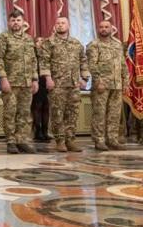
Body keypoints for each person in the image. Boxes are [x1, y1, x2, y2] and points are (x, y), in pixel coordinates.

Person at [38, 17, 89, 153]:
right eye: (58, 23)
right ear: (55, 26)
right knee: (57, 113)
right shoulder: (49, 43)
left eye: (63, 23)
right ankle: (60, 140)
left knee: (72, 113)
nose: (60, 25)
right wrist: (48, 78)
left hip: (74, 84)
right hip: (57, 84)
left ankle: (70, 140)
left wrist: (84, 79)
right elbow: (44, 62)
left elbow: (83, 61)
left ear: (68, 25)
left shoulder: (76, 43)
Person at [0, 11, 39, 154]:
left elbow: (33, 60)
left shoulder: (28, 39)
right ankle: (11, 141)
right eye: (13, 20)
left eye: (18, 20)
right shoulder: (3, 38)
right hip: (10, 82)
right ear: (8, 22)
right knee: (10, 113)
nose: (15, 23)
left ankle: (22, 140)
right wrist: (3, 78)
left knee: (24, 113)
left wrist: (35, 79)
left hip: (26, 83)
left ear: (23, 22)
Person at [86, 20, 128, 151]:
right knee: (99, 113)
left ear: (111, 29)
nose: (104, 29)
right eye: (101, 27)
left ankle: (113, 139)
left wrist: (125, 81)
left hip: (117, 84)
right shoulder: (93, 45)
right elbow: (92, 65)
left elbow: (123, 64)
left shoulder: (117, 44)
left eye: (106, 27)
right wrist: (98, 81)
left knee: (114, 114)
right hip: (102, 85)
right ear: (98, 29)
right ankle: (99, 140)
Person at [31, 37, 50, 143]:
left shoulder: (47, 53)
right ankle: (38, 132)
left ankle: (45, 131)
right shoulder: (32, 54)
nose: (40, 43)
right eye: (37, 41)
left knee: (46, 107)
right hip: (36, 81)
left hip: (46, 81)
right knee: (37, 106)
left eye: (42, 41)